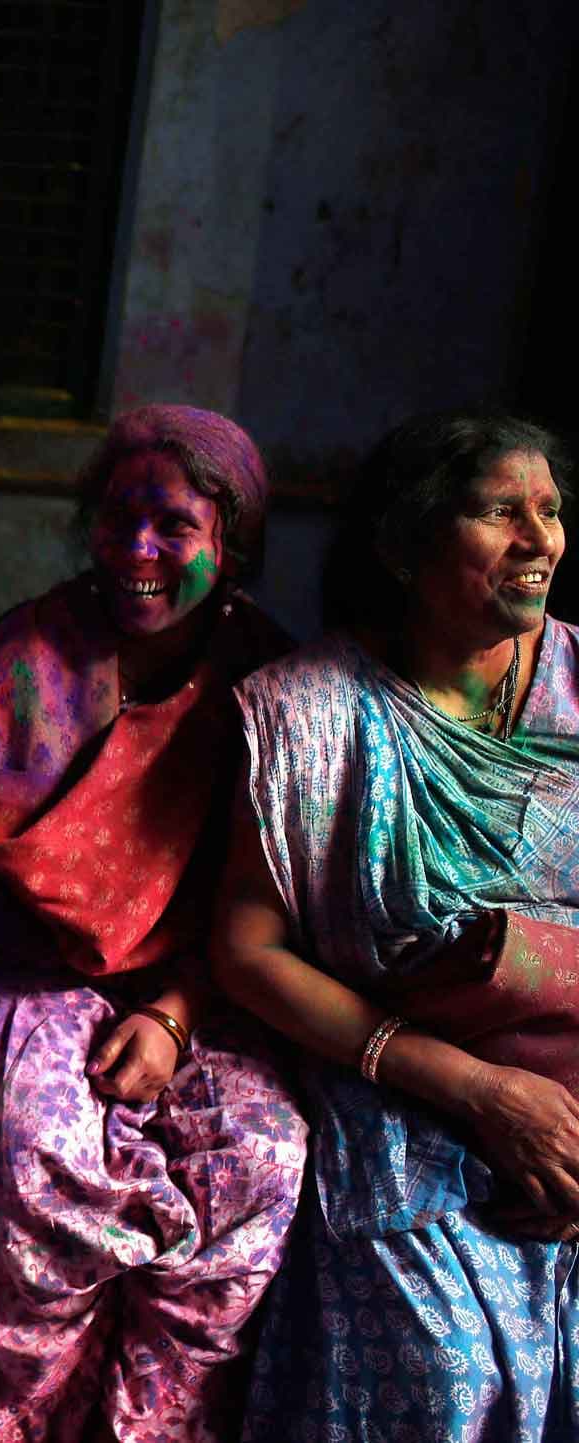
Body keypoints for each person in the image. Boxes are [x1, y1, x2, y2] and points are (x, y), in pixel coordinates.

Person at [0, 405, 309, 1443]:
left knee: (260, 1157)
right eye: (116, 518)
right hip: (15, 972)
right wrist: (76, 968)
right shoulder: (18, 661)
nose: (137, 550)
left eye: (173, 528)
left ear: (229, 546)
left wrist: (171, 1012)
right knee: (36, 1154)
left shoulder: (267, 690)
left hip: (202, 988)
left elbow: (267, 899)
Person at [215, 410, 579, 1440]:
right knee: (439, 1382)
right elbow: (247, 950)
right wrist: (472, 1087)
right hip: (401, 1098)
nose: (538, 540)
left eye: (548, 512)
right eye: (498, 512)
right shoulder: (306, 712)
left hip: (574, 1098)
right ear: (406, 541)